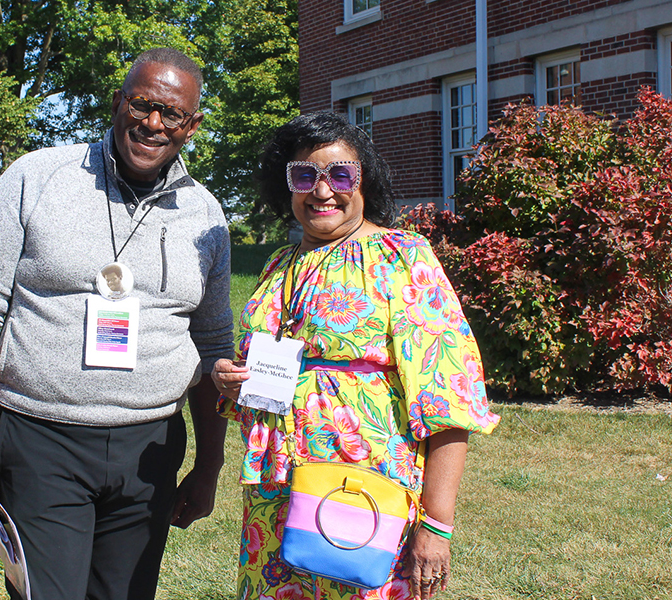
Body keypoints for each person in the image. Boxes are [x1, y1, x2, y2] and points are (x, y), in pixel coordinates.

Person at [0, 47, 232, 600]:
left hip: (151, 448)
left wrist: (209, 465)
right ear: (116, 102)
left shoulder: (206, 215)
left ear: (192, 125)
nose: (153, 123)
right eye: (141, 104)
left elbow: (212, 343)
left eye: (171, 114)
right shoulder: (36, 177)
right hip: (41, 440)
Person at [212, 112, 499, 600]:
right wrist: (231, 378)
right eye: (304, 175)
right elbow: (263, 371)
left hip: (363, 497)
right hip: (275, 496)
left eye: (339, 174)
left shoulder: (401, 257)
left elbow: (448, 397)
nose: (322, 190)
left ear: (365, 180)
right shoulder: (280, 265)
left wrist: (437, 524)